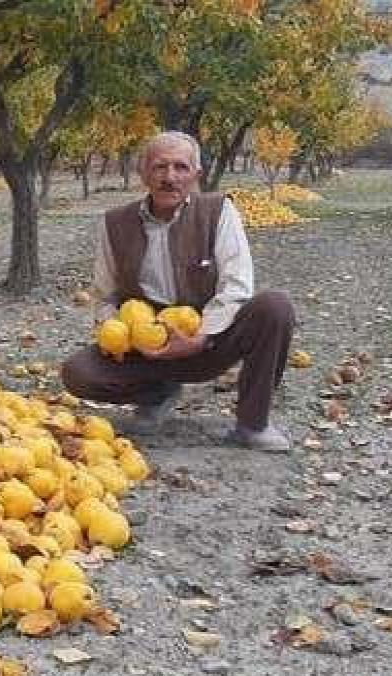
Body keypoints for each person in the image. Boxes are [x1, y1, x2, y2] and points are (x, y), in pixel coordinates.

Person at [59, 131, 295, 452]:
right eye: (159, 167)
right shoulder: (115, 223)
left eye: (181, 167)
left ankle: (252, 424)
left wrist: (202, 336)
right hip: (147, 347)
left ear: (196, 175)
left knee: (275, 307)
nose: (170, 178)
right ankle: (157, 391)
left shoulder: (218, 212)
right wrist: (122, 335)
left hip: (210, 341)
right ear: (143, 174)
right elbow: (106, 295)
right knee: (78, 373)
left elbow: (236, 285)